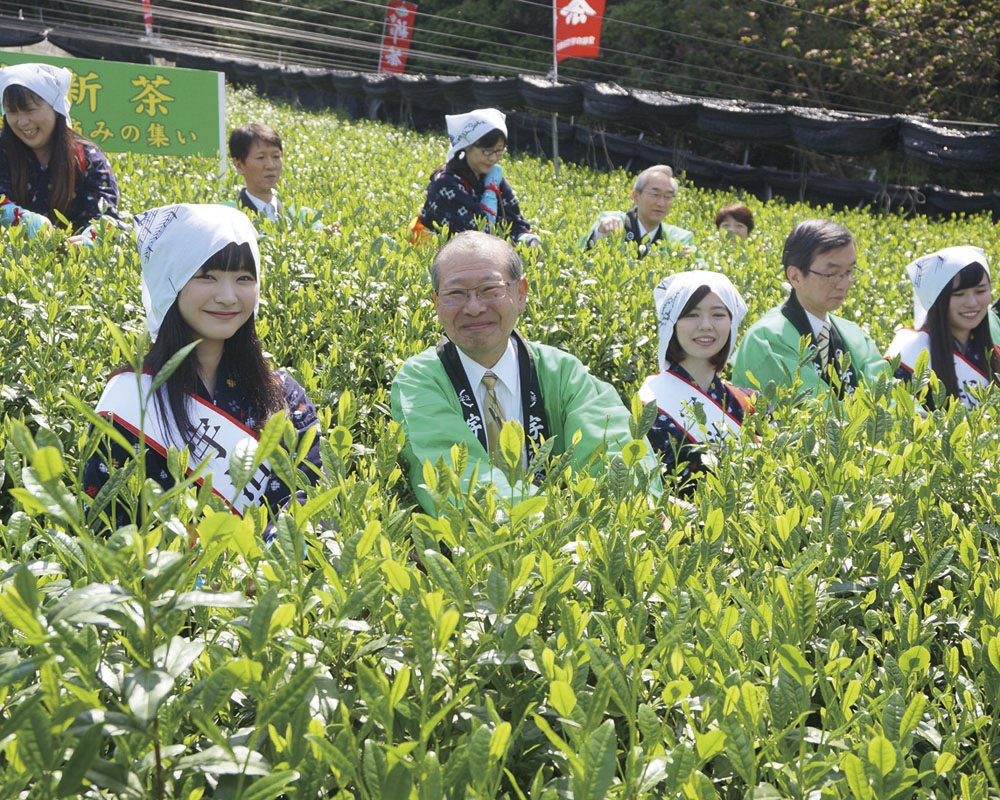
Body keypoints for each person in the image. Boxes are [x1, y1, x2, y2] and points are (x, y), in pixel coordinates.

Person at [84, 203, 324, 531]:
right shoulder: (130, 401)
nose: (227, 296)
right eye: (207, 276)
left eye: (243, 278)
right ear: (170, 281)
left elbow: (308, 507)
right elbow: (106, 525)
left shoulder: (284, 397)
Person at [391, 230, 659, 514]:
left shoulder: (563, 372)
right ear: (436, 303)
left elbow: (615, 452)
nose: (473, 307)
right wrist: (551, 521)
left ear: (520, 294)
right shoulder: (420, 380)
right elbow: (454, 478)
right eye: (455, 294)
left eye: (490, 290)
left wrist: (631, 510)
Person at [731, 218, 887, 396]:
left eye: (849, 272)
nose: (844, 283)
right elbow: (816, 410)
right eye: (832, 274)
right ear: (795, 276)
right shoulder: (767, 339)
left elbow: (887, 395)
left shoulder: (854, 335)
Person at [640, 271, 755, 484]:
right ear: (671, 323)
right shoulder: (647, 407)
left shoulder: (752, 404)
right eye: (692, 314)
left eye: (718, 315)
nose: (705, 325)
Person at [0, 62, 120, 245]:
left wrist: (89, 241)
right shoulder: (3, 149)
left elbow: (106, 219)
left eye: (30, 109)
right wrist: (18, 219)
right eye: (12, 112)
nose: (23, 122)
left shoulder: (89, 160)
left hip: (70, 266)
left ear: (56, 109)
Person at [886, 245, 1000, 408]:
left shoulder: (993, 356)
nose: (972, 303)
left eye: (980, 291)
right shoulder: (910, 353)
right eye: (959, 294)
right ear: (936, 299)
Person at [414, 108, 540, 248]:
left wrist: (529, 240)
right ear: (467, 146)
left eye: (499, 150)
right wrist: (490, 193)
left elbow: (515, 222)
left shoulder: (493, 178)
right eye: (486, 151)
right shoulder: (446, 183)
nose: (493, 158)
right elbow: (479, 235)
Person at [227, 122, 329, 233]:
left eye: (276, 156)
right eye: (261, 157)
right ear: (239, 165)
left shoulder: (305, 217)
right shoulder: (226, 216)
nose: (271, 165)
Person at [579, 164, 695, 260]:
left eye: (668, 197)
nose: (661, 203)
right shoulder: (612, 222)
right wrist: (599, 234)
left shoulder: (680, 238)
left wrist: (691, 262)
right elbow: (581, 256)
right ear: (636, 196)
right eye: (655, 194)